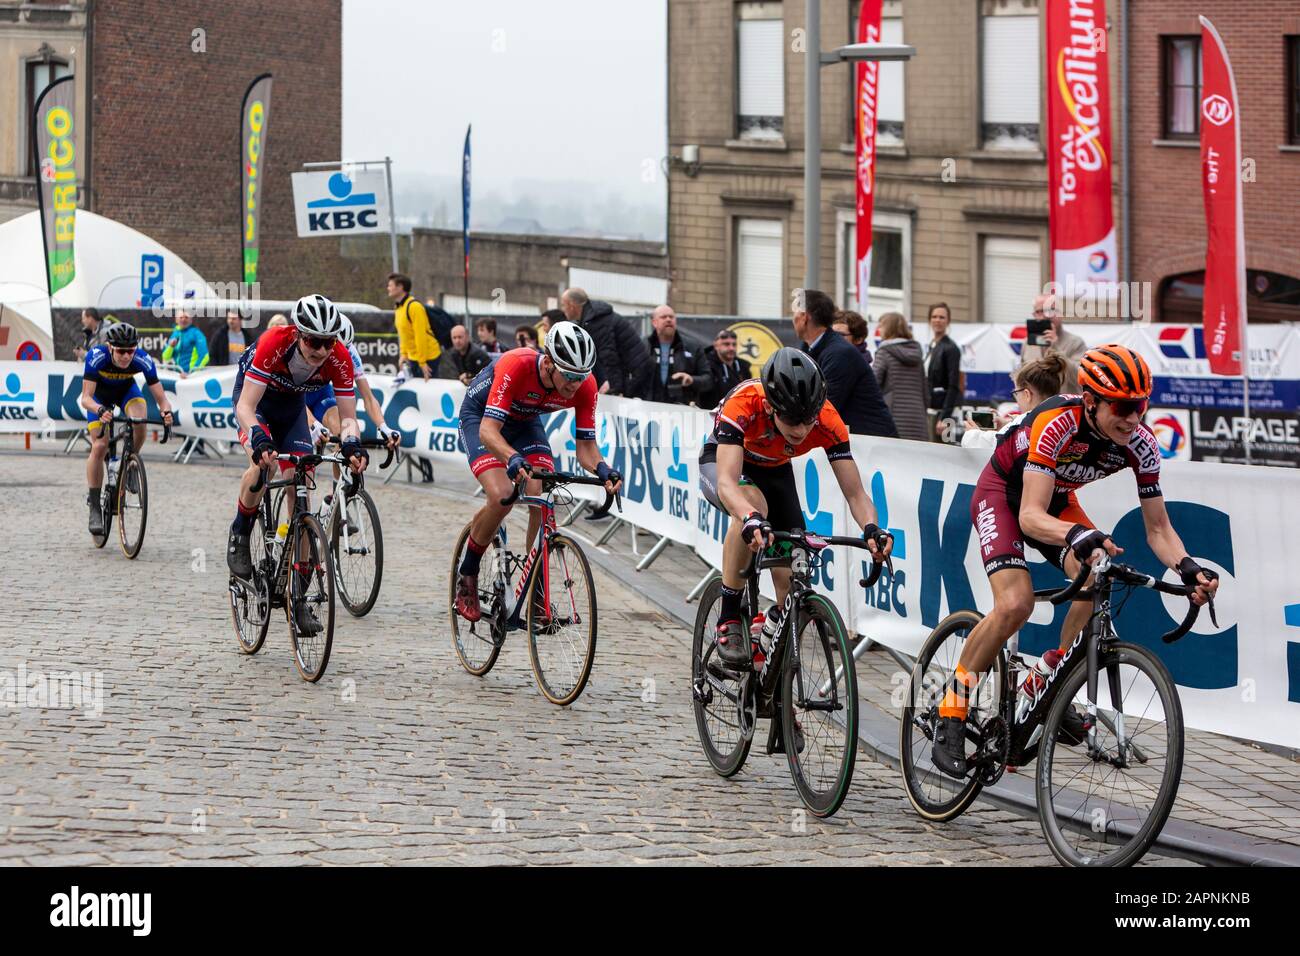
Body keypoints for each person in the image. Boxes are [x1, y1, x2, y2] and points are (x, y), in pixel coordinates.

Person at [930, 345, 1220, 777]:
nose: (1133, 418)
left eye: (1140, 406)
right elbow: (1029, 515)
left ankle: (1045, 682)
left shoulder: (1140, 443)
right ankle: (950, 709)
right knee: (1015, 604)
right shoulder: (1056, 423)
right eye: (1122, 407)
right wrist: (1077, 533)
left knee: (1097, 570)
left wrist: (1187, 566)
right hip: (1003, 496)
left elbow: (1158, 529)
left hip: (1057, 499)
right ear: (1090, 401)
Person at [699, 348, 892, 668]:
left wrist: (872, 528)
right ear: (769, 405)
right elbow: (727, 485)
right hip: (730, 463)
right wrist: (749, 518)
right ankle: (730, 616)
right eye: (791, 419)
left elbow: (856, 494)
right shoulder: (744, 403)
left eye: (808, 419)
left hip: (776, 470)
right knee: (753, 505)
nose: (801, 429)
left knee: (792, 582)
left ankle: (776, 691)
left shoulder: (829, 421)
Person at [452, 321, 623, 621]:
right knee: (503, 494)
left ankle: (535, 594)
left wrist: (603, 468)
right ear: (547, 364)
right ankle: (467, 574)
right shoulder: (516, 364)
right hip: (482, 419)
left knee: (542, 495)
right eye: (569, 375)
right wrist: (512, 457)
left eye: (581, 377)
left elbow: (586, 447)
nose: (574, 384)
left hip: (526, 421)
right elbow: (489, 432)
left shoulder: (585, 386)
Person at [226, 295, 370, 638]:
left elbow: (348, 417)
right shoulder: (274, 343)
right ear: (297, 334)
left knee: (303, 480)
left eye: (328, 342)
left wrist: (351, 443)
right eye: (313, 342)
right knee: (266, 468)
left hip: (291, 408)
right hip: (257, 404)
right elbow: (245, 407)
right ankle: (241, 532)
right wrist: (259, 438)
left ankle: (300, 597)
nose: (321, 350)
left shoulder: (339, 357)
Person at [79, 322, 174, 536]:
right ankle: (94, 505)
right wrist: (99, 408)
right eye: (121, 351)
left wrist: (166, 412)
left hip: (125, 392)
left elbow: (162, 399)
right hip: (98, 398)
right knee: (100, 445)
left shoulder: (142, 359)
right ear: (110, 347)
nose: (126, 356)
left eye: (130, 351)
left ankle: (130, 462)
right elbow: (85, 398)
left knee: (140, 419)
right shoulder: (96, 356)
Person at [793, 289, 897, 438]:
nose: (793, 319)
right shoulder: (811, 347)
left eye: (795, 313)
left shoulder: (839, 353)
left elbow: (825, 407)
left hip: (872, 445)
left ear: (804, 317)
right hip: (854, 440)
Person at [961, 354, 1069, 450]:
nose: (1016, 398)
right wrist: (1006, 424)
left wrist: (973, 434)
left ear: (1027, 395)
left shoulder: (1020, 430)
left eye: (1016, 393)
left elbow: (994, 444)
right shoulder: (1066, 419)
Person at [560, 287, 648, 397]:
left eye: (563, 305)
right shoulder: (591, 318)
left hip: (636, 374)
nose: (563, 309)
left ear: (571, 305)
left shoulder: (596, 321)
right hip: (633, 372)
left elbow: (609, 356)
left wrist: (615, 388)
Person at [871, 312, 931, 442]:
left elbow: (872, 385)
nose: (879, 330)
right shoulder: (917, 354)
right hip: (918, 419)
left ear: (889, 328)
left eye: (881, 326)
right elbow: (925, 393)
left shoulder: (884, 351)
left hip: (893, 419)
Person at [641, 304, 712, 405]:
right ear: (654, 322)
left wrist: (692, 380)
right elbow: (631, 376)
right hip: (648, 409)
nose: (668, 319)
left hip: (681, 410)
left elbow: (708, 380)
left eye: (671, 317)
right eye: (663, 317)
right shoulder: (642, 346)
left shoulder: (693, 347)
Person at [1020, 293, 1088, 389]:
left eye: (1050, 310)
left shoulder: (1075, 342)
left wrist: (1056, 349)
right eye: (1040, 311)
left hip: (1064, 403)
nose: (1046, 316)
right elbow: (1022, 377)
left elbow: (1080, 378)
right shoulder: (1027, 343)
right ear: (1034, 315)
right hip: (1037, 403)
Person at [387, 272, 442, 381]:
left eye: (390, 285)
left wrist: (422, 362)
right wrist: (403, 354)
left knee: (428, 392)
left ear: (400, 287)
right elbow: (404, 334)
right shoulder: (398, 308)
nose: (388, 288)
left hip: (428, 357)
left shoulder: (414, 306)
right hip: (414, 358)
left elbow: (420, 335)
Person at [925, 302, 962, 441]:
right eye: (934, 316)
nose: (937, 320)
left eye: (941, 317)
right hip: (931, 411)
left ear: (948, 321)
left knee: (947, 454)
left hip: (945, 415)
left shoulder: (951, 348)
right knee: (931, 455)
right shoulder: (932, 346)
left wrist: (945, 417)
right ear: (929, 320)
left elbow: (953, 385)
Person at [697, 328, 752, 410]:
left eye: (734, 344)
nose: (731, 348)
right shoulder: (706, 365)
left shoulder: (743, 366)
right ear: (716, 346)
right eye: (726, 344)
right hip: (711, 414)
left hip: (738, 414)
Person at [162, 308, 209, 378]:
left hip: (192, 377)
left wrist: (191, 373)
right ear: (176, 320)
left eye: (186, 317)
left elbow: (205, 357)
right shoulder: (175, 333)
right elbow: (165, 357)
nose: (183, 320)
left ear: (191, 320)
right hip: (177, 376)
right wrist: (171, 347)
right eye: (181, 317)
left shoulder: (196, 333)